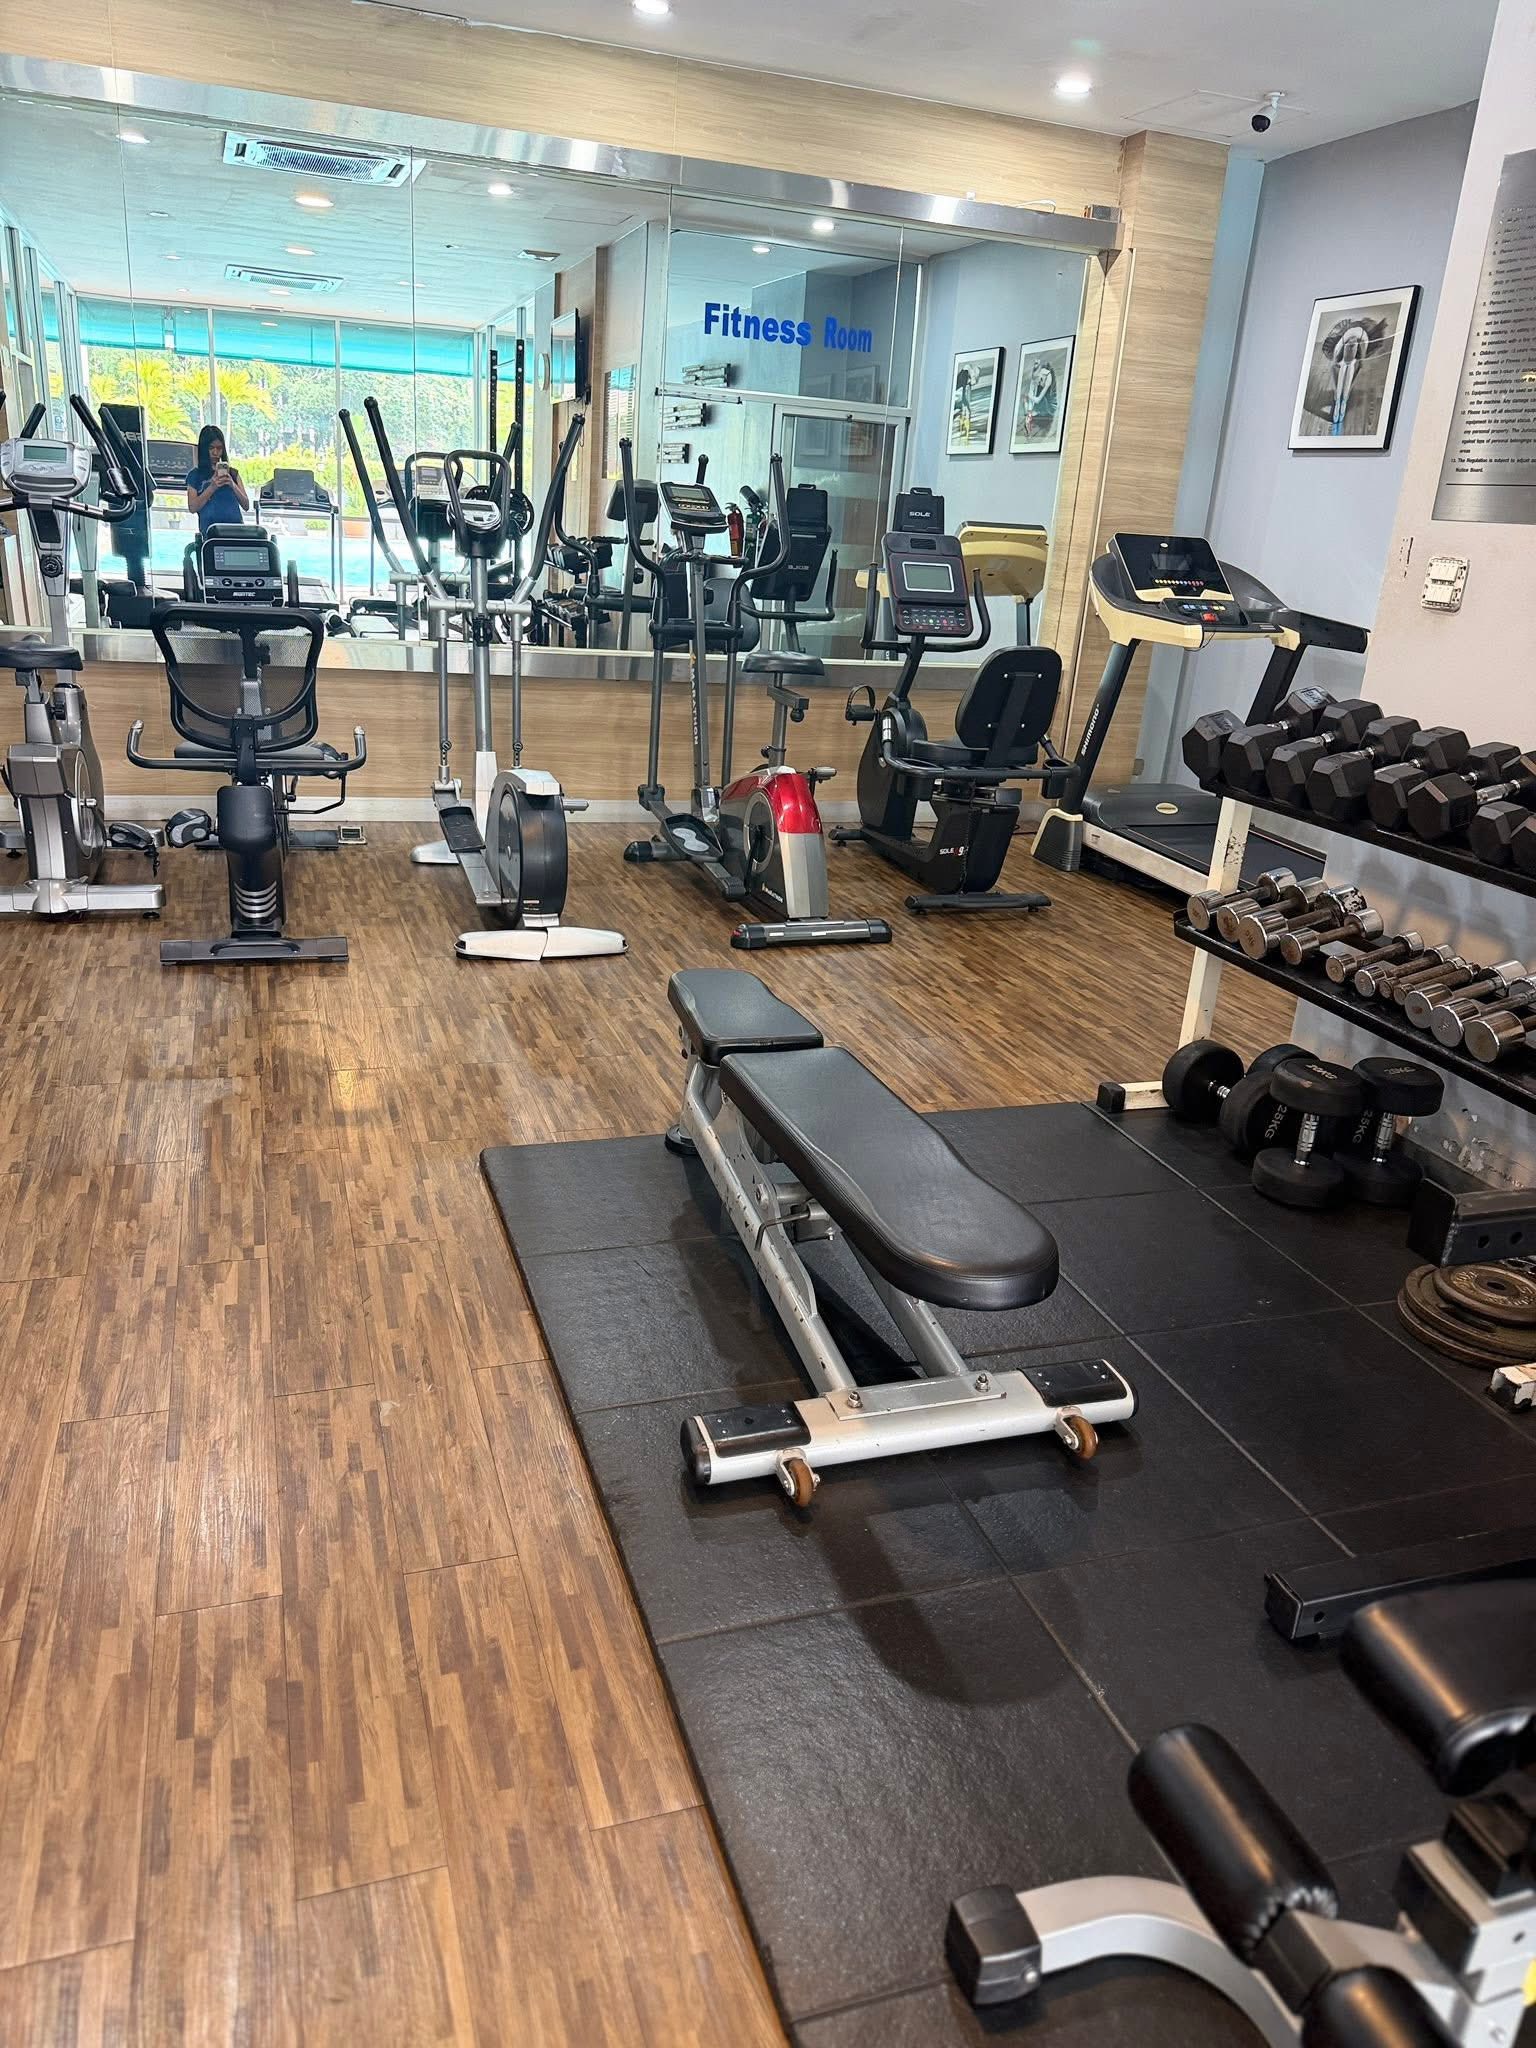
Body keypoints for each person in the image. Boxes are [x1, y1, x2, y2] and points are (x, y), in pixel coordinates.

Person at [185, 425, 250, 532]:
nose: (215, 453)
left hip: (236, 531)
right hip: (210, 533)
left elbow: (246, 505)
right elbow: (192, 507)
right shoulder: (195, 475)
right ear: (204, 449)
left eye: (219, 448)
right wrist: (212, 487)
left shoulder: (233, 474)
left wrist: (233, 485)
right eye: (211, 448)